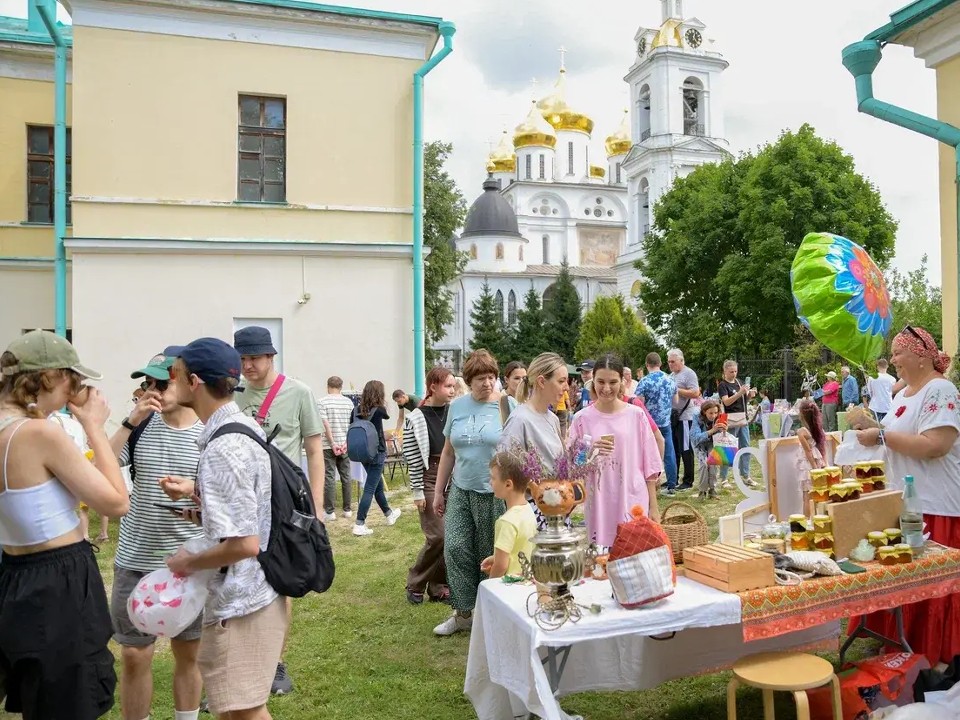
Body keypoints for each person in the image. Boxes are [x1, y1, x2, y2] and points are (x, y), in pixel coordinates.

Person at [0, 329, 129, 719]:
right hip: (60, 579)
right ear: (49, 378)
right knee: (70, 699)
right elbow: (116, 500)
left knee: (37, 693)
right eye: (72, 380)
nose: (75, 390)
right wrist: (93, 424)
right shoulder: (39, 433)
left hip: (14, 575)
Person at [163, 337, 288, 720]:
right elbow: (250, 515)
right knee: (236, 711)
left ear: (194, 381)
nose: (171, 383)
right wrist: (202, 513)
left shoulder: (223, 446)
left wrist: (190, 558)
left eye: (175, 375)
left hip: (242, 601)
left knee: (244, 712)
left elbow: (246, 543)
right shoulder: (240, 426)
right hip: (255, 593)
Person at [107, 351, 205, 720]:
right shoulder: (142, 426)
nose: (152, 391)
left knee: (188, 653)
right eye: (146, 384)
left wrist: (193, 489)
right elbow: (104, 466)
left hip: (189, 563)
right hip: (135, 559)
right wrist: (129, 423)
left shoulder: (208, 433)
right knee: (134, 654)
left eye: (160, 384)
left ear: (184, 382)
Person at [855, 325, 960, 664]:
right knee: (907, 580)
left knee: (934, 585)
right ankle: (901, 644)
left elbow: (936, 445)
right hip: (905, 503)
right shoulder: (903, 395)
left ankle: (936, 652)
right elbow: (896, 439)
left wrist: (881, 437)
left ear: (920, 355)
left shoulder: (941, 390)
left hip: (935, 505)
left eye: (898, 353)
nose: (893, 360)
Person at [232, 325, 323, 695]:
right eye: (242, 359)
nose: (248, 366)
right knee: (232, 581)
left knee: (279, 582)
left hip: (284, 502)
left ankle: (275, 665)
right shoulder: (230, 395)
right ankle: (234, 666)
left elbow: (314, 450)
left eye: (254, 358)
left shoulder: (298, 392)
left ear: (271, 356)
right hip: (239, 500)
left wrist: (314, 507)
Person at [433, 349, 512, 636]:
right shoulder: (457, 407)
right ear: (469, 380)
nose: (487, 383)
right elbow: (448, 451)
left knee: (489, 553)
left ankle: (490, 615)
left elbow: (519, 450)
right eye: (481, 378)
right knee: (455, 547)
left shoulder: (507, 405)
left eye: (491, 377)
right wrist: (439, 491)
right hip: (462, 489)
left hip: (495, 493)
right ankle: (463, 612)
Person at [569, 354, 663, 546]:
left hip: (632, 497)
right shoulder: (581, 419)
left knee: (634, 552)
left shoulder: (635, 415)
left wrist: (654, 506)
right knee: (603, 562)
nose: (606, 388)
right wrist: (589, 451)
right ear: (592, 381)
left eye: (612, 382)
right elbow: (573, 465)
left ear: (622, 381)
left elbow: (650, 463)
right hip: (599, 503)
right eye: (600, 381)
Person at [403, 367, 456, 605]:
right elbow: (413, 457)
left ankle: (438, 587)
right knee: (438, 536)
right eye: (448, 386)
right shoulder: (416, 416)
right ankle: (415, 582)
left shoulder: (454, 412)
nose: (452, 391)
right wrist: (416, 491)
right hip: (428, 477)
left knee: (451, 535)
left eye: (453, 386)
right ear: (433, 387)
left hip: (452, 477)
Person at [498, 353, 567, 530]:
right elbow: (504, 464)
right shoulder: (520, 419)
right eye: (561, 381)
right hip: (532, 512)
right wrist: (534, 487)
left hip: (556, 508)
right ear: (542, 382)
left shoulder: (552, 418)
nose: (566, 387)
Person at [352, 381, 402, 537]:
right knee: (370, 487)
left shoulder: (354, 411)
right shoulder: (379, 410)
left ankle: (389, 514)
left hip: (362, 453)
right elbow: (384, 421)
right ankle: (359, 523)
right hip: (377, 452)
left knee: (376, 485)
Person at [480, 451, 536, 579]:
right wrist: (496, 557)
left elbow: (501, 566)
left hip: (509, 588)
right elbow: (521, 547)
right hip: (528, 583)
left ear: (508, 484)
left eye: (493, 478)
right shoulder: (528, 510)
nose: (490, 482)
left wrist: (489, 586)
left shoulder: (506, 521)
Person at [635, 352, 678, 495]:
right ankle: (672, 485)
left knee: (647, 454)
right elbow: (676, 402)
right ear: (660, 364)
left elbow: (639, 404)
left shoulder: (645, 382)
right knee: (669, 453)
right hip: (665, 422)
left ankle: (649, 484)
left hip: (649, 424)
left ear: (647, 365)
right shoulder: (671, 380)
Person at [318, 376, 355, 521]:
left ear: (328, 386)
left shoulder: (321, 402)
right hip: (345, 444)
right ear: (341, 387)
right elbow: (352, 423)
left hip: (328, 445)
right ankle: (347, 509)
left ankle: (330, 511)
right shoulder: (349, 403)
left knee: (329, 477)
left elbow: (325, 423)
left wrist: (332, 443)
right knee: (346, 476)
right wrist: (346, 442)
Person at [717, 360, 756, 487]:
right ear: (725, 371)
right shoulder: (723, 385)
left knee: (746, 447)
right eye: (731, 372)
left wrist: (749, 395)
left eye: (735, 371)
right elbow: (726, 402)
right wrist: (739, 393)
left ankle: (745, 475)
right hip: (730, 421)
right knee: (728, 448)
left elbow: (744, 400)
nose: (734, 374)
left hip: (742, 420)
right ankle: (723, 478)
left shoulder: (740, 382)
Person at [668, 349, 700, 492]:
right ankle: (673, 479)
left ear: (682, 361)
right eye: (668, 361)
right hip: (673, 416)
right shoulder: (671, 375)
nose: (670, 364)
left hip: (686, 416)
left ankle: (688, 480)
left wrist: (676, 390)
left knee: (686, 448)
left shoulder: (689, 373)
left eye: (673, 361)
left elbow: (695, 393)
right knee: (674, 449)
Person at [795, 399, 827, 512]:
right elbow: (821, 449)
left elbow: (808, 451)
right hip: (818, 462)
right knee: (818, 495)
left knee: (807, 498)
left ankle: (807, 522)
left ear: (802, 414)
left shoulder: (801, 432)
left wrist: (814, 469)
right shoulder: (818, 430)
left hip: (808, 466)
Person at [690, 400, 726, 499]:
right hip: (700, 444)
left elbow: (723, 436)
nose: (713, 415)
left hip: (713, 443)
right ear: (704, 412)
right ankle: (702, 491)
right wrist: (712, 430)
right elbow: (695, 437)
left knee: (713, 463)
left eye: (715, 412)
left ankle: (712, 489)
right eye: (710, 413)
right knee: (704, 464)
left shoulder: (720, 417)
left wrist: (724, 430)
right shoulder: (697, 418)